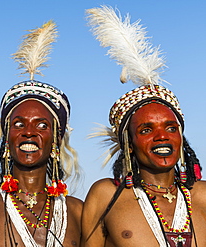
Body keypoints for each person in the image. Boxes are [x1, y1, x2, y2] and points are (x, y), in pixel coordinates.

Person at [82, 6, 206, 247]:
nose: (162, 136)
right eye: (146, 130)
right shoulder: (106, 195)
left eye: (171, 128)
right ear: (128, 143)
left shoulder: (202, 194)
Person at [0, 21, 83, 246]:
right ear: (6, 137)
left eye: (41, 125)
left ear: (56, 139)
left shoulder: (78, 213)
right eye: (19, 124)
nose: (29, 132)